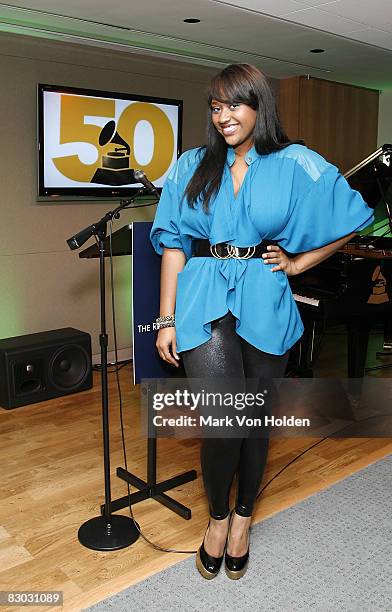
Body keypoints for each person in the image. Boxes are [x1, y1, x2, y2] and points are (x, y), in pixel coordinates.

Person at [149, 63, 374, 580]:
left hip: (265, 294)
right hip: (203, 295)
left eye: (235, 104)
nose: (224, 116)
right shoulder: (190, 166)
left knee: (254, 423)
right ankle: (217, 518)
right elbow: (173, 248)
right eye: (216, 106)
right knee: (224, 424)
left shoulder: (295, 162)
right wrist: (165, 318)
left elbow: (352, 214)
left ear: (259, 105)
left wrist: (297, 264)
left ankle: (244, 520)